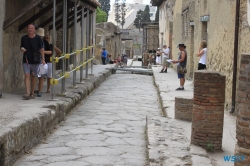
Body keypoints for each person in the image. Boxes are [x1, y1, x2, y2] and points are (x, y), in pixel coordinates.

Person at [20, 24, 45, 99]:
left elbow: (41, 49)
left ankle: (32, 92)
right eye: (29, 28)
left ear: (34, 30)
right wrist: (22, 49)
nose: (30, 30)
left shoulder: (38, 38)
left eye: (31, 28)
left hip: (35, 60)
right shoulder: (23, 38)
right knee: (27, 75)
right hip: (26, 59)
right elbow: (21, 47)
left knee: (33, 76)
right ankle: (27, 93)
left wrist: (43, 59)